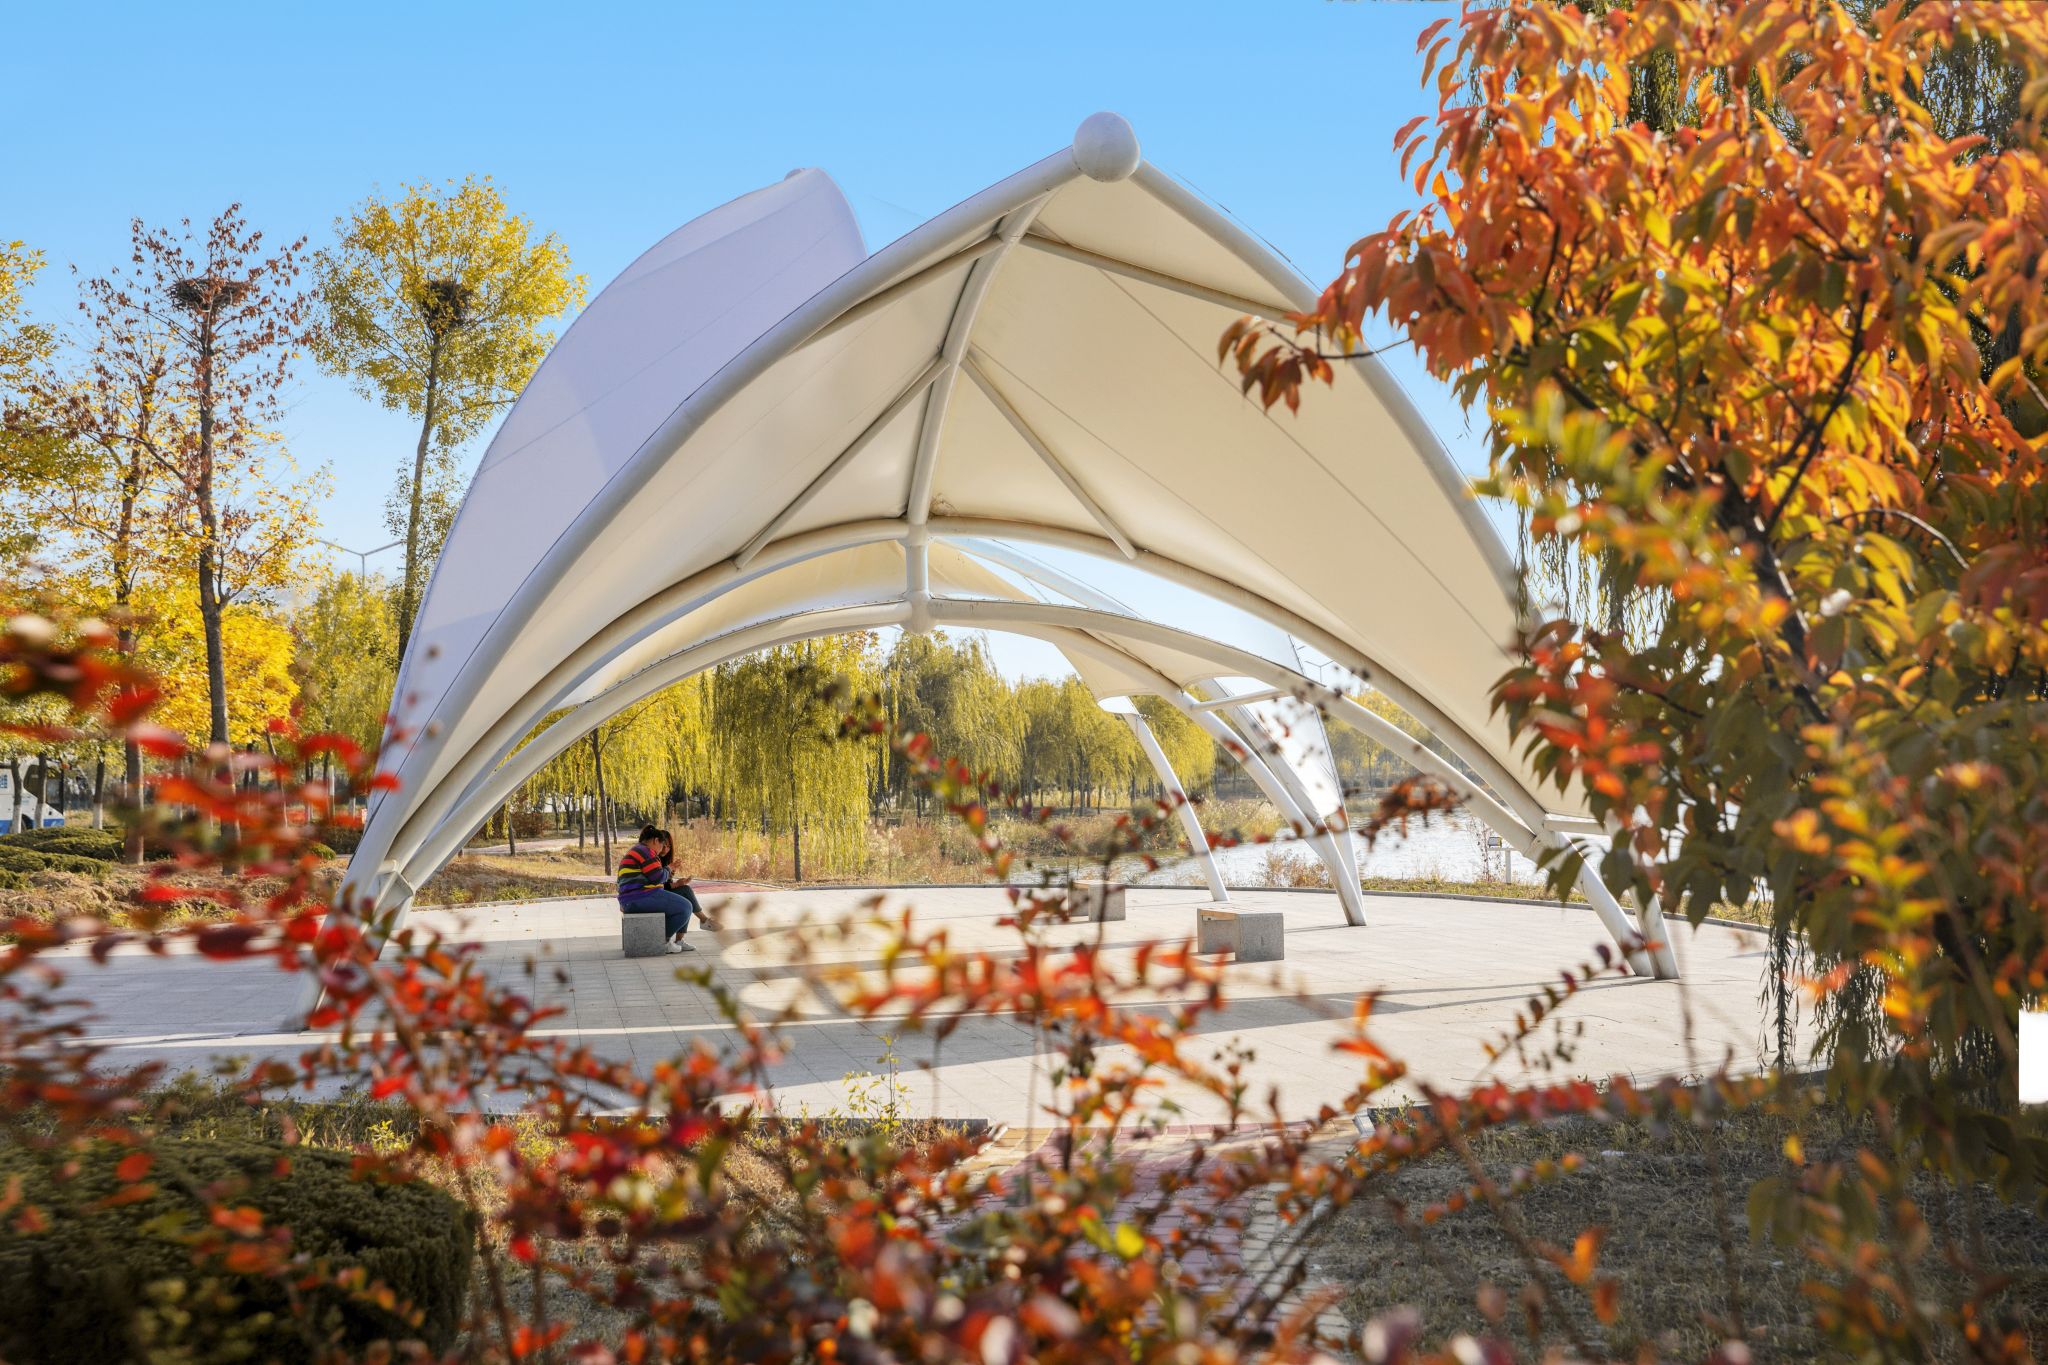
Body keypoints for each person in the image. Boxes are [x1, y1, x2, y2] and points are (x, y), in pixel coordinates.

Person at [618, 825, 717, 953]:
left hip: (633, 898)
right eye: (662, 845)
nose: (662, 849)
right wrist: (669, 868)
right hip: (640, 897)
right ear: (656, 841)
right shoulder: (647, 852)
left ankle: (673, 939)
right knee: (685, 907)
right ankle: (663, 941)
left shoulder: (638, 850)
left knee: (684, 900)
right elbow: (657, 878)